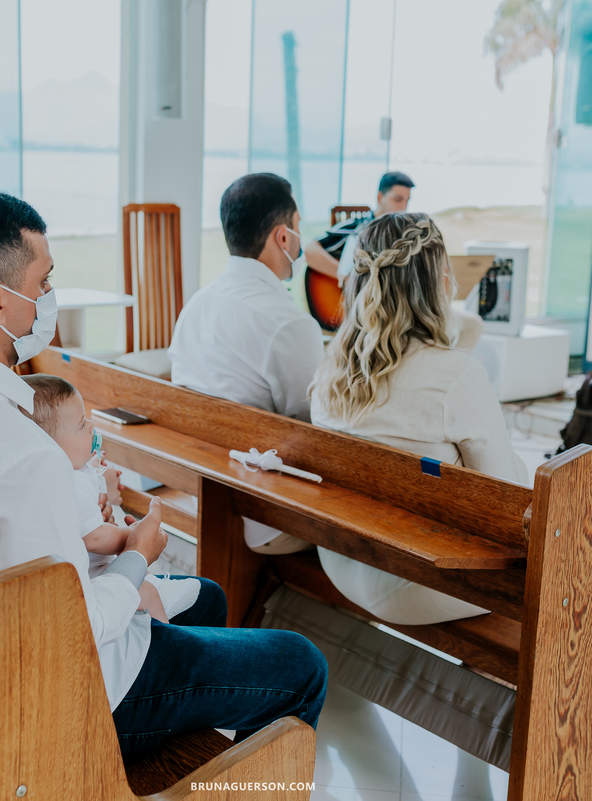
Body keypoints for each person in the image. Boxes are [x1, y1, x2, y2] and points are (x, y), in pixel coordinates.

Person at [0, 192, 326, 755]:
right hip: (70, 690)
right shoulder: (22, 456)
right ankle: (224, 776)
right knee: (302, 663)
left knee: (209, 600)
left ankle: (203, 752)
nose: (48, 296)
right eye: (43, 281)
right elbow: (77, 628)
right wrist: (138, 553)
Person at [309, 212, 526, 626]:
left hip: (337, 557)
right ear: (439, 281)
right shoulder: (456, 376)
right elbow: (505, 504)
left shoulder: (329, 371)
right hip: (417, 581)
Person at [168, 173, 324, 553]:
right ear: (283, 237)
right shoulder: (290, 324)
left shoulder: (197, 304)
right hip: (267, 514)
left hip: (202, 491)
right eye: (298, 227)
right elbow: (315, 431)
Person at [21, 373, 201, 622]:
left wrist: (96, 468)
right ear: (52, 447)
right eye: (81, 425)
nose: (91, 426)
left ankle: (159, 593)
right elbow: (94, 537)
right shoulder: (68, 485)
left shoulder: (68, 470)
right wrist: (135, 538)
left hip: (99, 568)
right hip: (93, 577)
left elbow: (91, 471)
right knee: (145, 592)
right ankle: (165, 635)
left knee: (146, 581)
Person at [303, 171, 414, 281]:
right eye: (398, 200)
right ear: (380, 198)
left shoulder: (405, 235)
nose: (403, 207)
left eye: (407, 201)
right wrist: (346, 278)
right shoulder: (357, 227)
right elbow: (310, 250)